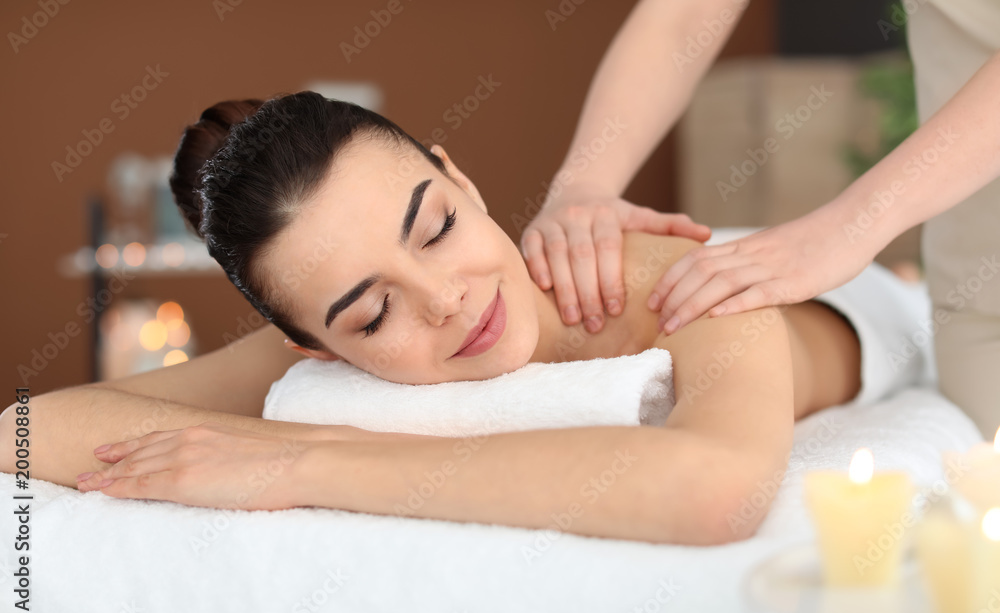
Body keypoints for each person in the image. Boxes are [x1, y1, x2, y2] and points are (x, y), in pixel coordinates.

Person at [0, 92, 926, 545]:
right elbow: (26, 430)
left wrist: (301, 461)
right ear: (310, 348)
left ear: (463, 180)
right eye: (370, 315)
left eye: (437, 226)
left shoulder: (676, 287)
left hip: (868, 293)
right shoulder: (324, 352)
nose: (446, 299)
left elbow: (720, 488)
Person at [521, 0, 1000, 437]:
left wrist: (851, 225)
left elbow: (718, 485)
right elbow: (680, 18)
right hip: (976, 279)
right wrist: (586, 184)